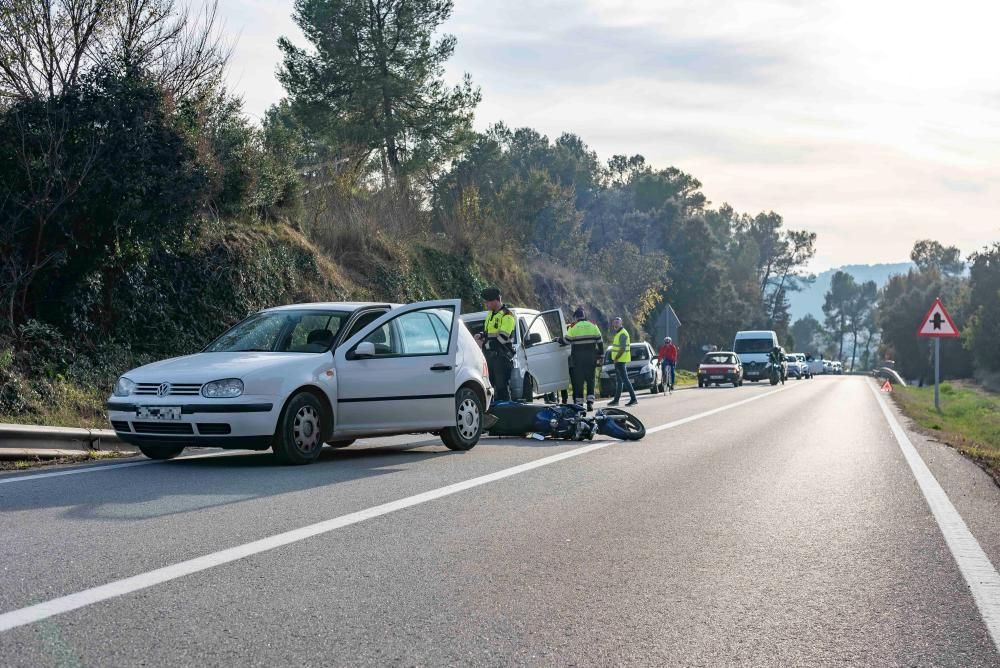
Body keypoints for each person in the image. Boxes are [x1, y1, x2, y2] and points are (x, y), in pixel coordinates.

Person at [565, 307, 604, 411]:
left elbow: (567, 340)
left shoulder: (573, 328)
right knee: (590, 380)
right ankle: (590, 403)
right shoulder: (593, 326)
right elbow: (600, 342)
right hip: (591, 359)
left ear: (576, 317)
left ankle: (580, 405)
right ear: (584, 316)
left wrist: (558, 340)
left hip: (578, 360)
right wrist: (601, 355)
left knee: (579, 382)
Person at [481, 287, 516, 402]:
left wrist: (485, 344)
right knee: (488, 388)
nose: (485, 304)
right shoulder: (490, 314)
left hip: (501, 356)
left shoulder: (507, 316)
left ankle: (507, 415)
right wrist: (481, 335)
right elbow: (488, 333)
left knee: (502, 388)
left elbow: (502, 338)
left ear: (494, 301)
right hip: (490, 357)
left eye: (487, 302)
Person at [607, 316, 638, 407]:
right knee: (620, 381)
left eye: (618, 322)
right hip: (618, 360)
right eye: (615, 322)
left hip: (620, 360)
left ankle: (633, 399)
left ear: (621, 323)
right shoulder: (618, 333)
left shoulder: (622, 334)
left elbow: (622, 348)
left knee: (625, 380)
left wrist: (616, 358)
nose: (615, 324)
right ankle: (616, 400)